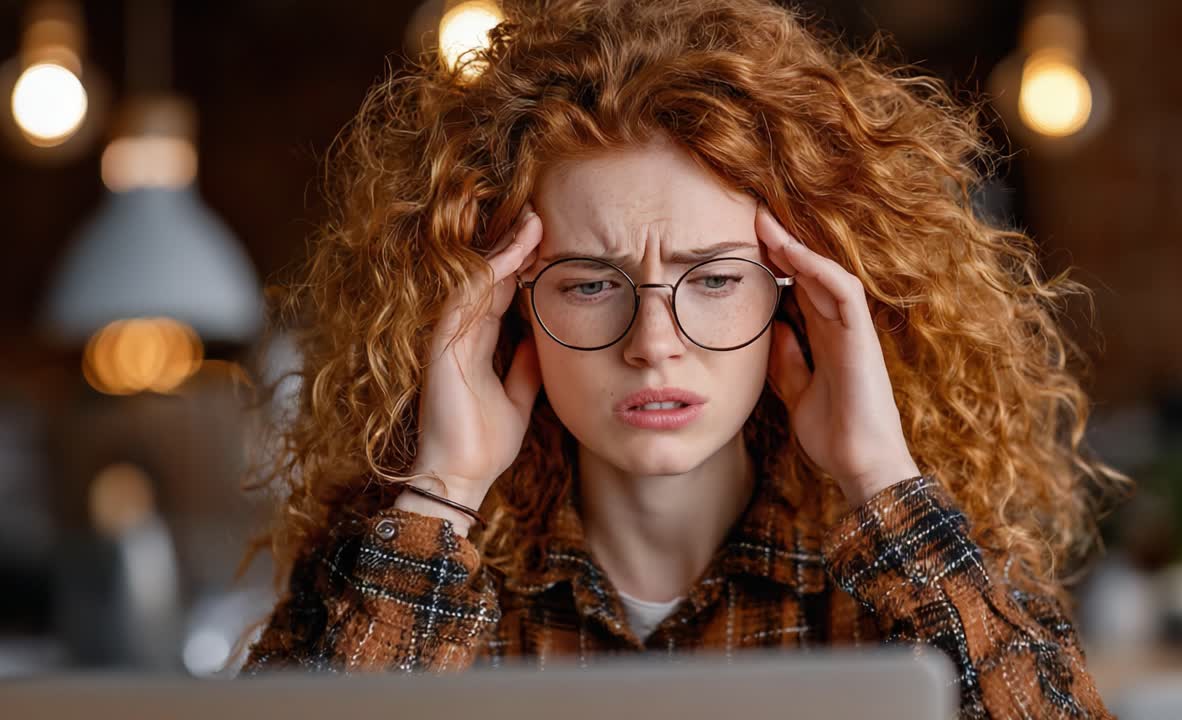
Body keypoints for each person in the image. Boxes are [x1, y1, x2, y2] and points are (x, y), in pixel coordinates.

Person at [237, 0, 1128, 717]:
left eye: (712, 280)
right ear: (504, 311)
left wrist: (882, 476)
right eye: (589, 284)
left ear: (800, 296)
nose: (653, 344)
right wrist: (442, 489)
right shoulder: (400, 560)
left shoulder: (900, 581)